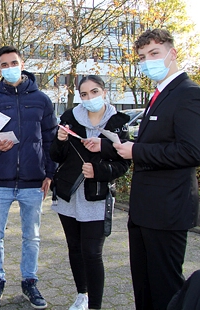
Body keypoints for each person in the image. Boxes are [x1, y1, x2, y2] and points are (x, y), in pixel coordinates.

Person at [113, 29, 200, 310]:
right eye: (142, 57)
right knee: (144, 284)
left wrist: (136, 150)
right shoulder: (160, 94)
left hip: (167, 210)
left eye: (154, 53)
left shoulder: (188, 94)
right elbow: (159, 143)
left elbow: (191, 151)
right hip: (144, 210)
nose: (147, 61)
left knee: (165, 289)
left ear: (172, 54)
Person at [0, 46, 57, 310]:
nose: (10, 67)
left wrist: (50, 173)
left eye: (14, 62)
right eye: (4, 64)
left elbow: (50, 140)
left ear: (22, 64)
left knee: (32, 236)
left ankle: (29, 281)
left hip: (33, 181)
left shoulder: (42, 100)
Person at [49, 75, 131, 310]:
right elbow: (56, 156)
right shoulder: (69, 118)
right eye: (84, 94)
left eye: (94, 92)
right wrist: (60, 140)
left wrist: (99, 171)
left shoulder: (118, 122)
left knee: (92, 253)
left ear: (104, 92)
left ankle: (95, 305)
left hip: (96, 196)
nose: (89, 98)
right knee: (74, 248)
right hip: (69, 195)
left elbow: (123, 164)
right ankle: (81, 295)